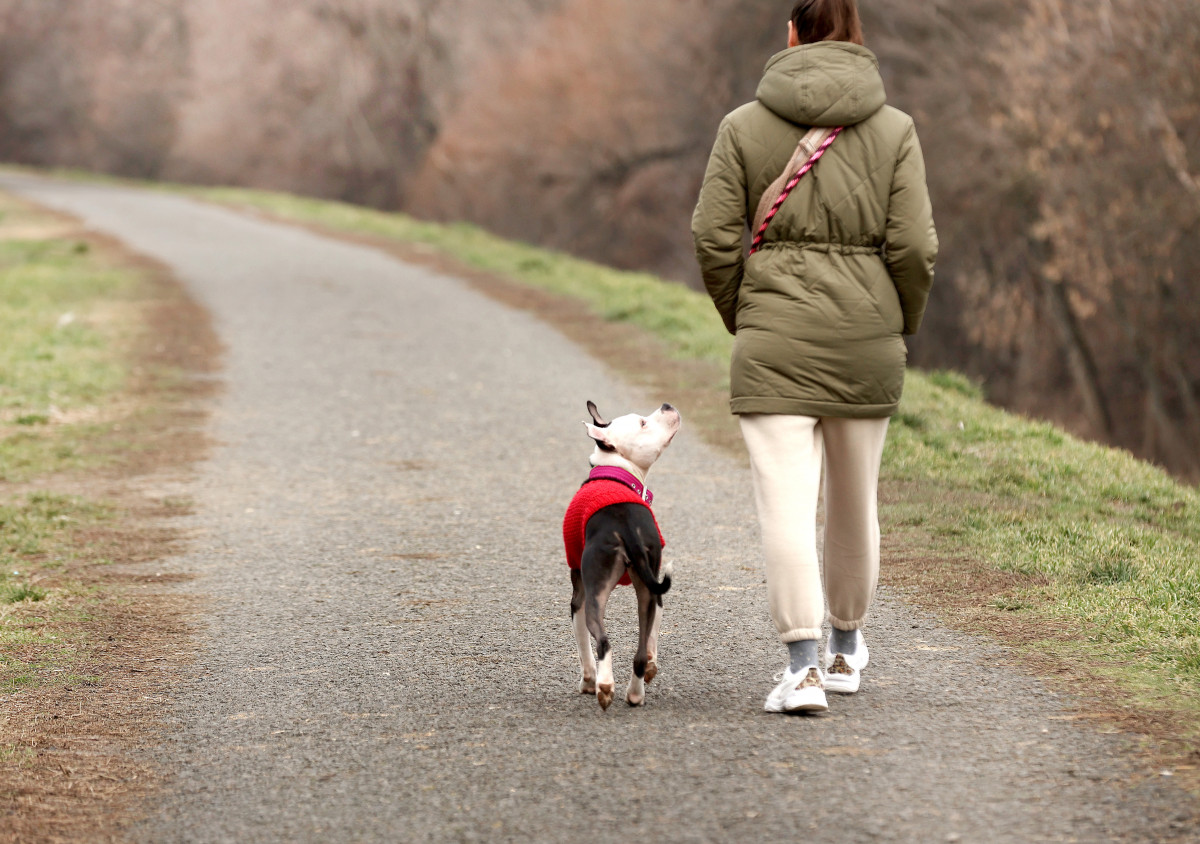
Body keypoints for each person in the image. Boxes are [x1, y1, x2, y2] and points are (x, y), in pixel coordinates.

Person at [691, 0, 937, 714]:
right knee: (855, 504)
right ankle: (844, 650)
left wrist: (750, 314)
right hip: (866, 342)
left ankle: (799, 672)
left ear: (791, 33)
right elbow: (915, 248)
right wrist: (898, 323)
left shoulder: (741, 127)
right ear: (857, 34)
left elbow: (711, 238)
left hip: (774, 343)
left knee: (787, 509)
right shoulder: (895, 130)